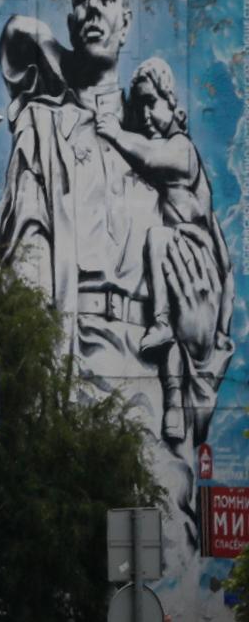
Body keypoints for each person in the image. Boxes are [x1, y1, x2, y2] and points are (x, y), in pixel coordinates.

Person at [0, 0, 234, 606]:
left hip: (149, 379)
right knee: (64, 564)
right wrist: (34, 367)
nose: (92, 7)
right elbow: (25, 255)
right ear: (70, 21)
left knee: (168, 556)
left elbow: (210, 286)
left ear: (130, 18)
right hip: (72, 360)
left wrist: (196, 322)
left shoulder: (162, 147)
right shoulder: (43, 126)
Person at [95, 57, 225, 442]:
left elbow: (150, 157)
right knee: (171, 348)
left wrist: (115, 132)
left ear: (172, 101)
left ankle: (164, 319)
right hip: (178, 267)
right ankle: (173, 407)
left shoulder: (182, 149)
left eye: (151, 102)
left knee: (157, 237)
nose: (146, 115)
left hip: (192, 255)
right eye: (139, 107)